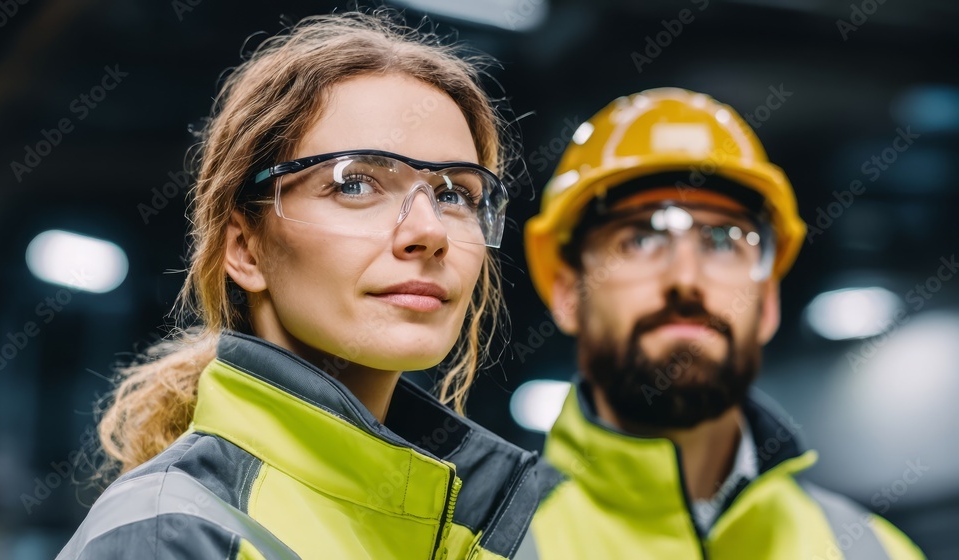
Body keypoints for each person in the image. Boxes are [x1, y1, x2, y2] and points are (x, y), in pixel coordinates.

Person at [58, 12, 558, 560]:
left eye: (455, 194)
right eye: (356, 184)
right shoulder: (168, 536)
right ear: (246, 250)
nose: (429, 232)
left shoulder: (489, 538)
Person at [516, 88, 925, 559]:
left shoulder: (875, 552)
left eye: (725, 241)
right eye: (639, 239)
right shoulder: (483, 545)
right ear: (569, 294)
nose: (686, 279)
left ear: (768, 302)